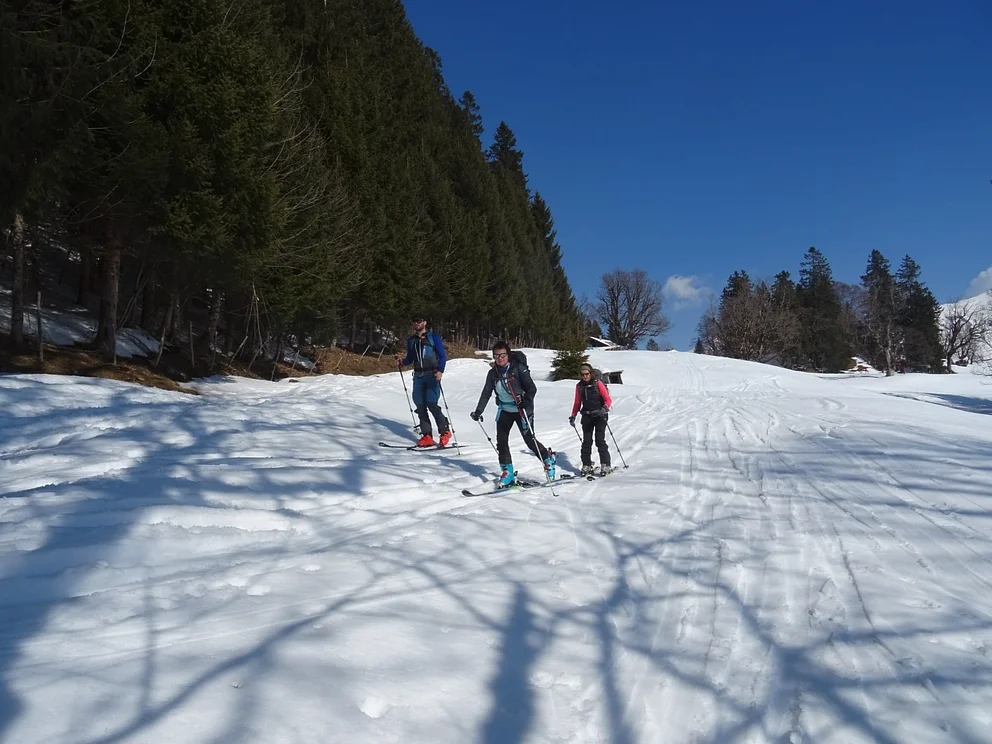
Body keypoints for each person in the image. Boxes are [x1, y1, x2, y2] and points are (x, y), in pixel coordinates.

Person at [470, 341, 556, 488]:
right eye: (496, 356)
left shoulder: (518, 369)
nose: (499, 358)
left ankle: (548, 460)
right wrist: (478, 411)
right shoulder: (493, 373)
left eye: (502, 355)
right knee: (501, 441)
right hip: (505, 410)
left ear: (508, 355)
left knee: (529, 440)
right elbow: (486, 393)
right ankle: (507, 472)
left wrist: (526, 401)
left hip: (522, 410)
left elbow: (532, 389)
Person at [396, 315, 451, 447]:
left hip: (432, 375)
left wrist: (440, 371)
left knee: (432, 403)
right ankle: (427, 436)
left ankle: (445, 431)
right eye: (414, 322)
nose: (416, 323)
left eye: (419, 321)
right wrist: (402, 362)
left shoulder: (433, 337)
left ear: (424, 323)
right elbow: (410, 358)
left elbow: (442, 356)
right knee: (420, 406)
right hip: (418, 376)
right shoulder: (412, 340)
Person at [569, 363, 613, 476]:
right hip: (587, 416)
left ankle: (605, 464)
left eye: (587, 374)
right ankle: (586, 465)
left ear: (591, 373)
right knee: (587, 442)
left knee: (599, 440)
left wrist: (604, 409)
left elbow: (608, 399)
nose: (585, 376)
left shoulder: (598, 383)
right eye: (582, 374)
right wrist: (573, 415)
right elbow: (577, 403)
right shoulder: (579, 386)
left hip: (600, 415)